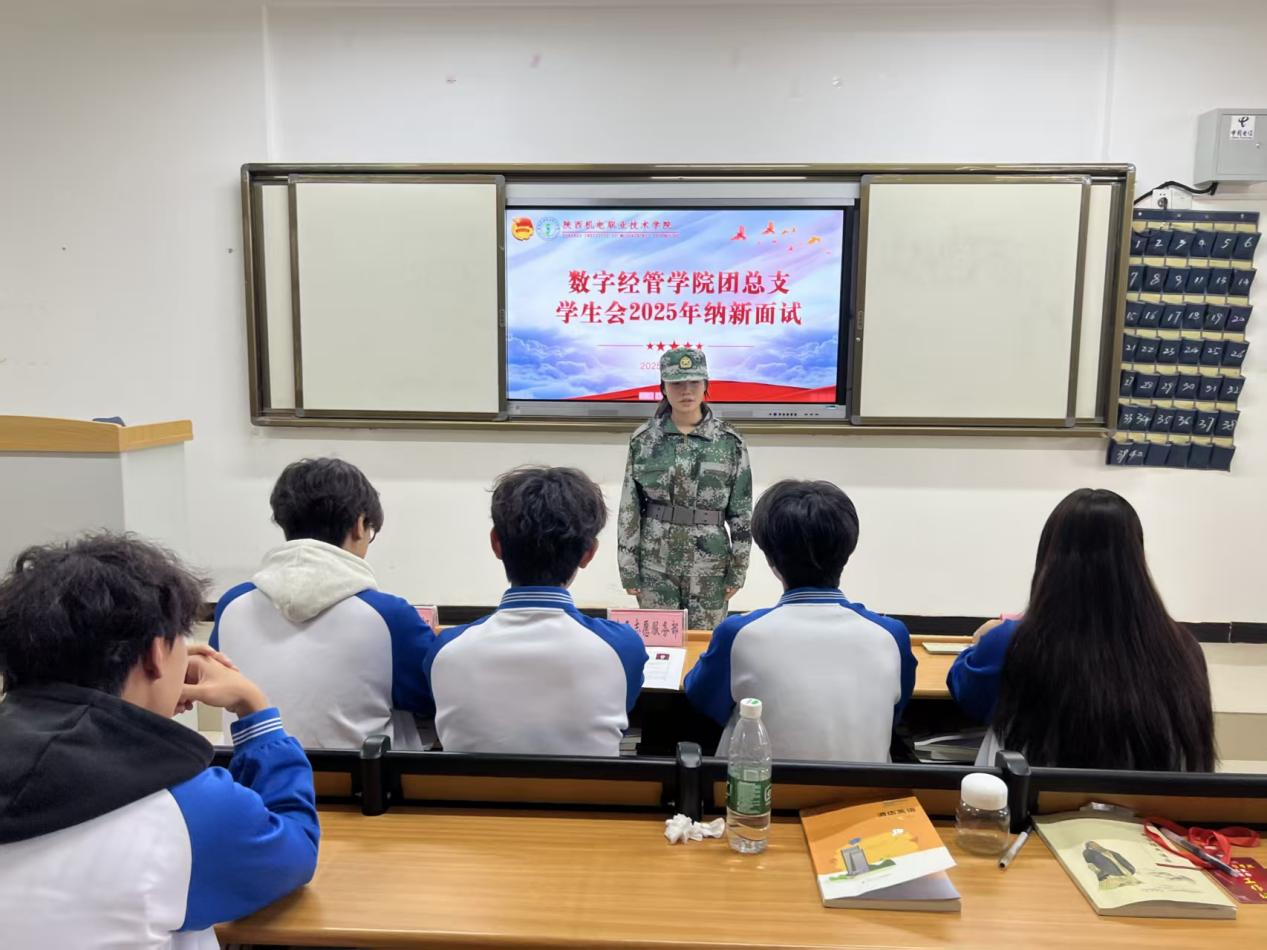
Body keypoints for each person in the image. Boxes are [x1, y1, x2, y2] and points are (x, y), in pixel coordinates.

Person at [0, 534, 319, 949]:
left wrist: (148, 704)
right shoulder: (186, 810)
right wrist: (254, 707)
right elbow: (294, 849)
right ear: (155, 655)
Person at [947, 488, 1215, 771]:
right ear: (1138, 559)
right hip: (1150, 800)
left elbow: (967, 693)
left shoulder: (1011, 641)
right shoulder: (1184, 649)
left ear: (1049, 558)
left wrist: (979, 644)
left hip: (1032, 798)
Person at [211, 457, 436, 749]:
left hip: (251, 774)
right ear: (360, 525)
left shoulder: (231, 605)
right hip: (363, 778)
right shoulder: (389, 617)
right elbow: (433, 697)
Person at [684, 479, 916, 761]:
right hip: (864, 788)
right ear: (848, 549)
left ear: (770, 559)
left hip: (755, 787)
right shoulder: (891, 635)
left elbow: (703, 699)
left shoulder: (738, 633)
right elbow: (893, 711)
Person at [425, 466, 646, 756]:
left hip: (469, 788)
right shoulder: (622, 647)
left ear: (496, 544)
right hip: (585, 787)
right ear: (588, 553)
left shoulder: (446, 649)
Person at [618, 347, 753, 631]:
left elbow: (741, 512)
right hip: (655, 565)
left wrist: (738, 569)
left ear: (706, 385)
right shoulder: (644, 440)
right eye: (677, 383)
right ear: (663, 388)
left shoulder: (729, 441)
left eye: (694, 382)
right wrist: (628, 567)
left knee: (706, 645)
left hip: (710, 567)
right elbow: (630, 508)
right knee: (658, 644)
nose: (686, 391)